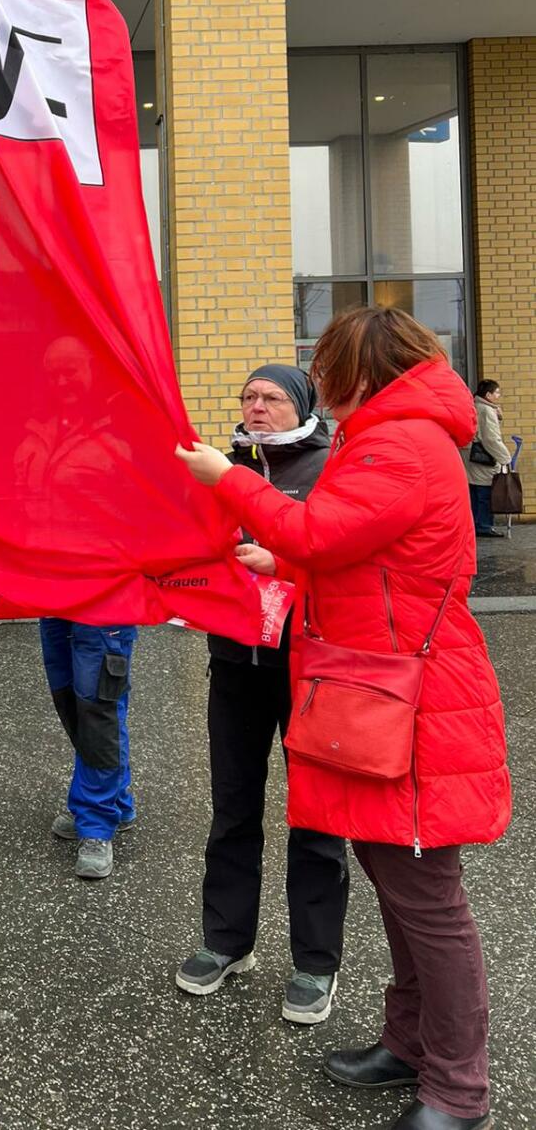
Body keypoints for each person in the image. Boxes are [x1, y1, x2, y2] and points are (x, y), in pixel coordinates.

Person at [176, 308, 510, 1130]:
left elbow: (321, 531)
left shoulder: (398, 442)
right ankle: (409, 1045)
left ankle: (457, 1090)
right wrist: (284, 559)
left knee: (426, 900)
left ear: (363, 367)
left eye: (325, 363)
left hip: (407, 696)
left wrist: (229, 479)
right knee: (397, 882)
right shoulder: (398, 435)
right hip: (382, 687)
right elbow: (372, 557)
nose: (318, 378)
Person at [175, 364, 348, 1026]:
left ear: (302, 405)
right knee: (232, 808)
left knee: (316, 817)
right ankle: (226, 942)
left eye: (272, 398)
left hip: (310, 668)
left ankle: (315, 962)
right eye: (249, 396)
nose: (257, 407)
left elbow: (344, 556)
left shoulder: (330, 467)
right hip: (234, 663)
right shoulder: (224, 466)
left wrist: (282, 563)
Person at [16, 338, 137, 882]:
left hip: (104, 595)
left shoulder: (123, 436)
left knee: (98, 705)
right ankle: (117, 798)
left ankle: (96, 822)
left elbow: (146, 511)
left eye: (73, 371)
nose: (63, 382)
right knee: (71, 699)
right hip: (53, 591)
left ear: (94, 374)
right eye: (54, 373)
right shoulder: (36, 431)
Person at [463, 380, 511, 538]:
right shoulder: (486, 410)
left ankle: (474, 525)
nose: (498, 395)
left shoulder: (475, 406)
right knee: (484, 493)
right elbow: (491, 438)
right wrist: (505, 457)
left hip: (470, 455)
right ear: (488, 395)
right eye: (497, 392)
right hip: (483, 459)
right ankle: (484, 526)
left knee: (474, 492)